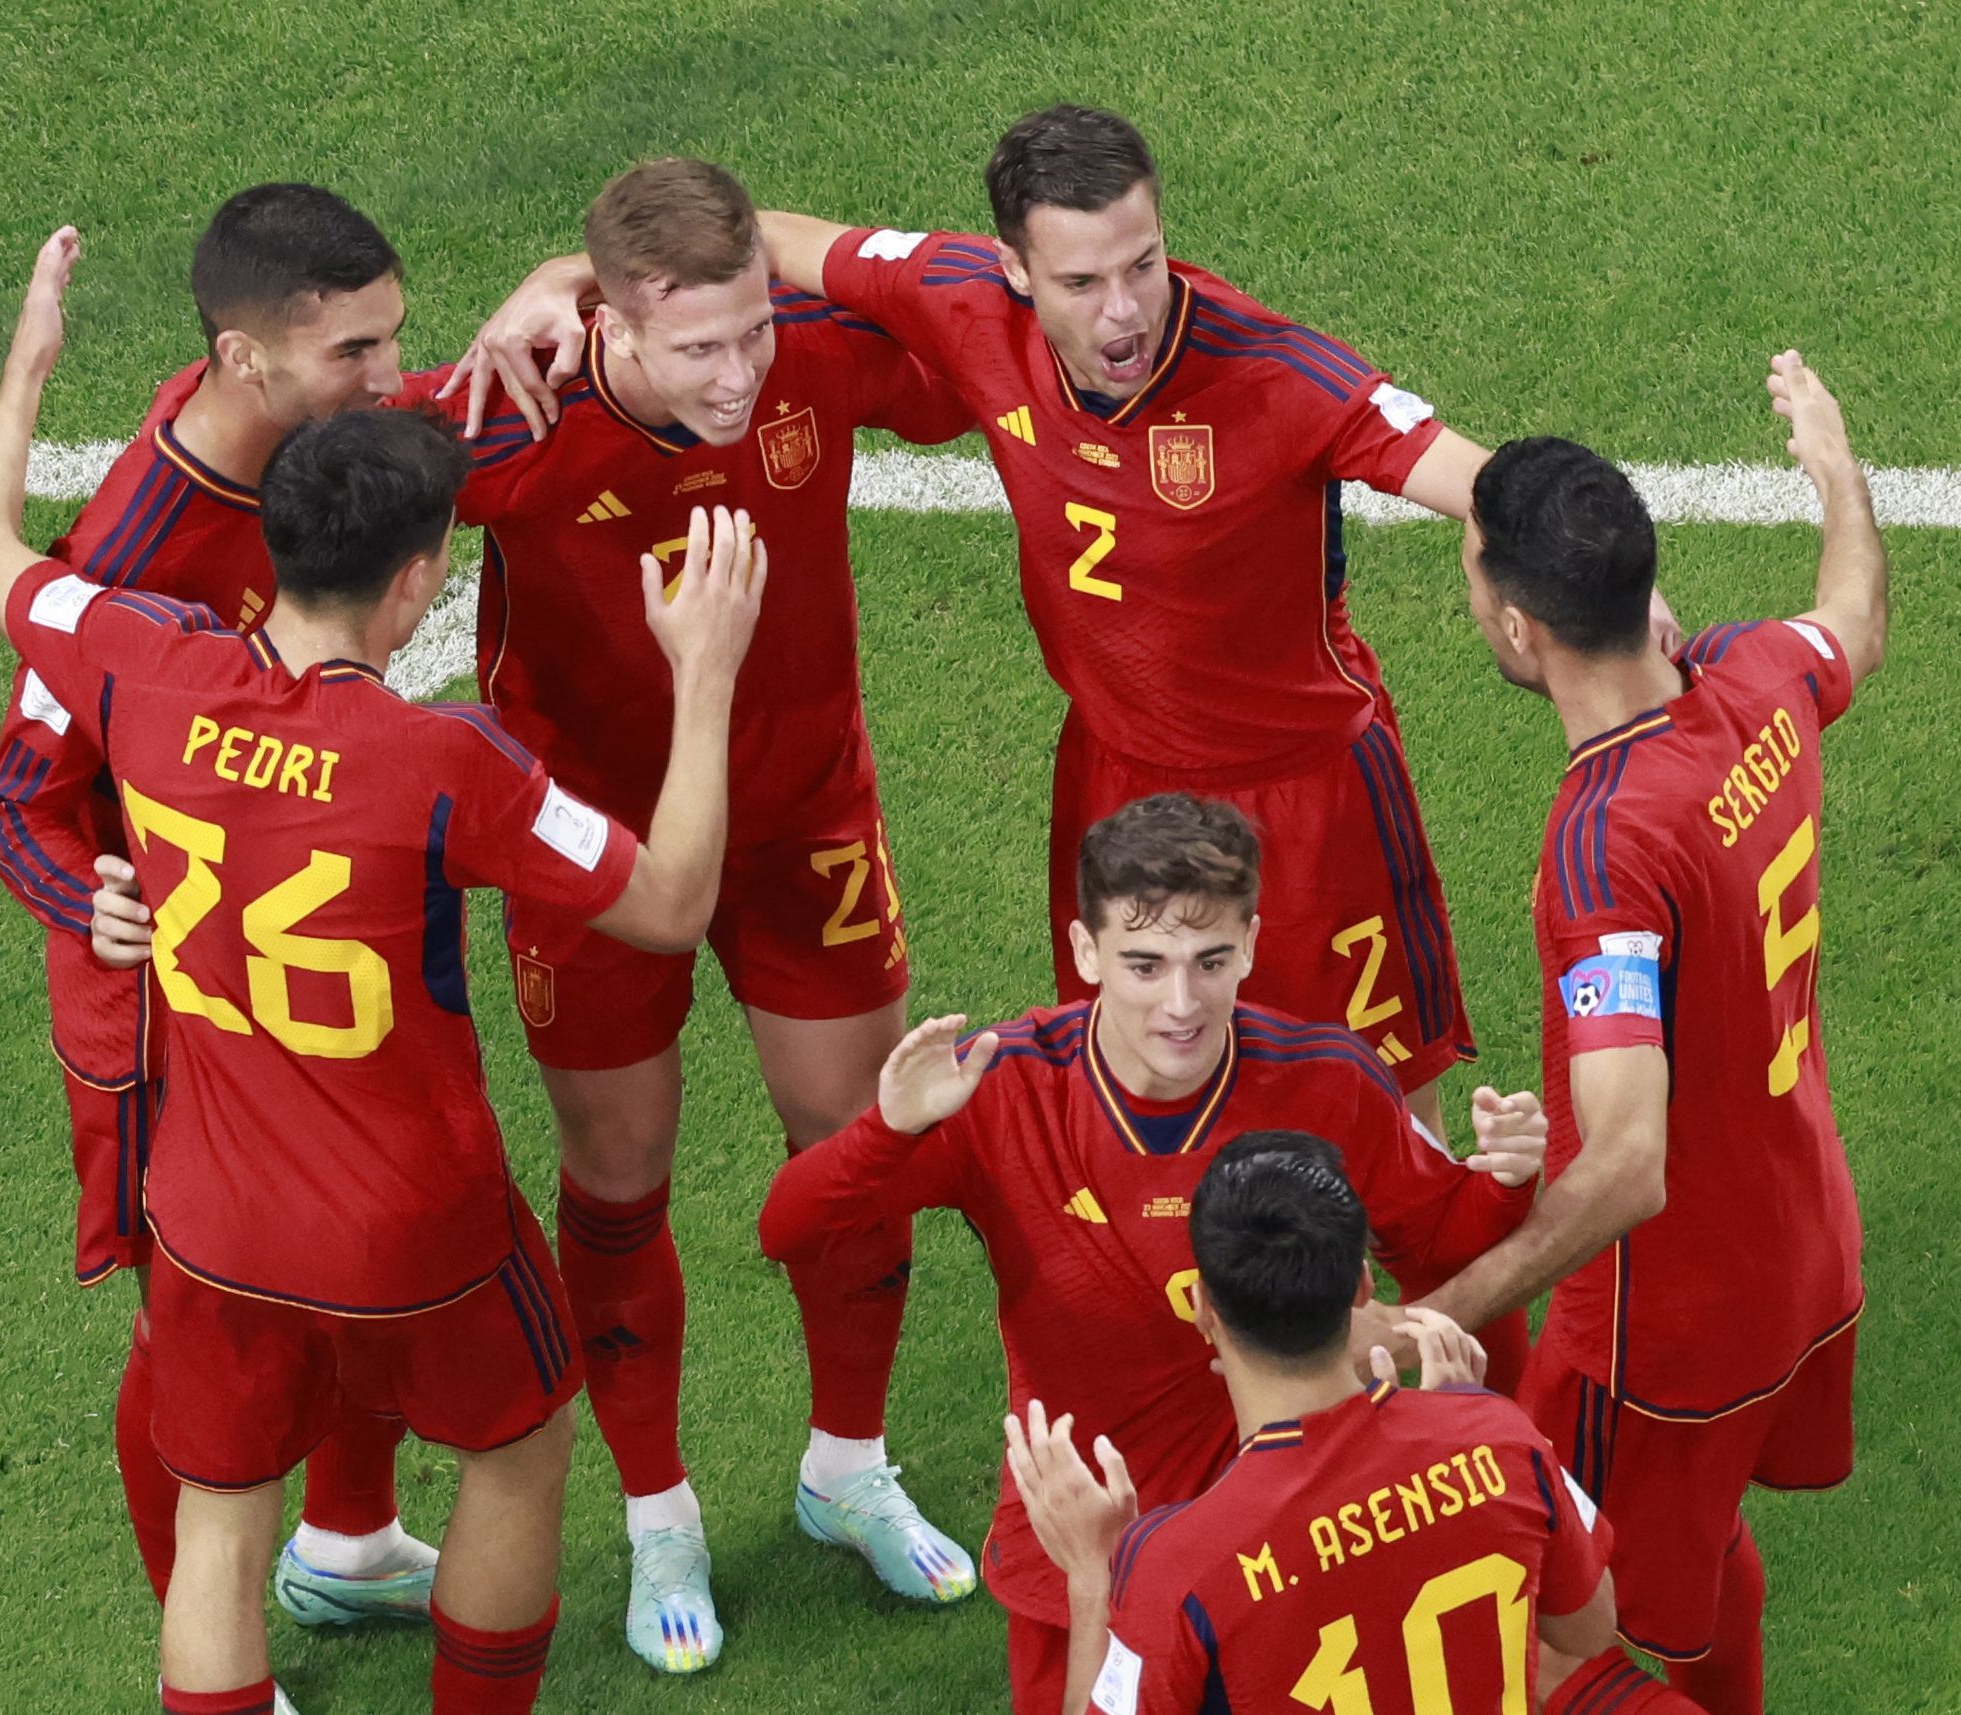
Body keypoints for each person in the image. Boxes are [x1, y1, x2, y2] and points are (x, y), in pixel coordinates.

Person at [447, 104, 1682, 1155]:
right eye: (1083, 279)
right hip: (1113, 786)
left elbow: (1476, 474)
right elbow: (752, 238)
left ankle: (1466, 1423)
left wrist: (1613, 595)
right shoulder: (956, 298)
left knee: (1385, 1131)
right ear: (1016, 269)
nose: (1125, 307)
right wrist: (565, 279)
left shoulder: (1275, 372)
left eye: (1143, 262)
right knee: (1145, 1113)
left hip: (1310, 802)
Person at [0, 227, 764, 1715]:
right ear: (417, 581)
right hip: (414, 1221)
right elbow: (672, 899)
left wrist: (28, 369)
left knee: (220, 1519)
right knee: (519, 1443)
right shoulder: (448, 759)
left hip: (208, 1212)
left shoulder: (142, 657)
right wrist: (701, 675)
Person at [0, 181, 538, 1624]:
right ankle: (207, 1632)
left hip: (278, 942)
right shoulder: (133, 544)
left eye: (390, 338)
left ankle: (346, 1536)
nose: (390, 378)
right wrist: (84, 899)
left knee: (336, 1247)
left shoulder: (308, 454)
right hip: (158, 992)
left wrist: (554, 284)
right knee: (192, 1337)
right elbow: (12, 798)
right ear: (245, 362)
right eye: (356, 352)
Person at [437, 158, 978, 1668]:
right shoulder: (516, 414)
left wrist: (584, 257)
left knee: (862, 1141)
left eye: (752, 329)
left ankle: (846, 1466)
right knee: (618, 1174)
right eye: (697, 347)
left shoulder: (812, 351)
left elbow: (987, 314)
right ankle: (657, 1508)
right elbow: (298, 488)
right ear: (606, 322)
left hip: (804, 819)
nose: (740, 372)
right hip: (591, 860)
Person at [758, 793, 1549, 1713]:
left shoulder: (1326, 1078)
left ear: (1252, 943)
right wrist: (887, 1131)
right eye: (1144, 964)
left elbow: (1446, 1239)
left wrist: (1502, 1179)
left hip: (1296, 1526)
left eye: (1211, 961)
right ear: (1086, 951)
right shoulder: (1003, 1087)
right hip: (1086, 1542)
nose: (1181, 1004)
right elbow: (790, 1229)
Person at [1403, 354, 1888, 1715]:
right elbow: (1851, 613)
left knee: (1561, 1629)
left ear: (1517, 628)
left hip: (1665, 1330)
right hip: (1809, 1252)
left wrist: (1436, 1308)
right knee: (1707, 1547)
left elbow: (1627, 1167)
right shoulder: (1752, 680)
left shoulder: (1603, 849)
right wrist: (1834, 470)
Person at [1007, 1131, 1710, 1715]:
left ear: (1202, 1309)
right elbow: (1588, 1629)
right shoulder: (1503, 1441)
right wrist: (1468, 1416)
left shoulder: (1175, 1565)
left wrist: (1093, 1573)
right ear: (1364, 1287)